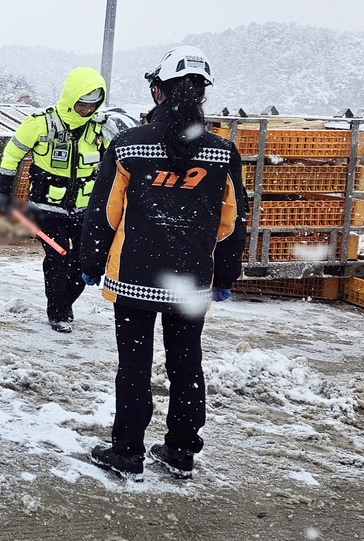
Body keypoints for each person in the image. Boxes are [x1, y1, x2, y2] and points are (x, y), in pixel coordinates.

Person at [80, 46, 247, 481]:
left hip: (133, 277)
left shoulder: (127, 147)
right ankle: (181, 451)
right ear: (202, 97)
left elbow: (105, 213)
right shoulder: (222, 153)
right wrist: (226, 274)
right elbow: (231, 223)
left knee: (134, 365)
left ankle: (128, 451)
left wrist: (91, 261)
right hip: (190, 282)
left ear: (158, 92)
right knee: (186, 362)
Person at [0, 67, 109, 333]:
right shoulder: (39, 123)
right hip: (45, 207)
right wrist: (5, 190)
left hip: (84, 209)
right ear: (70, 97)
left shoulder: (101, 129)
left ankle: (64, 303)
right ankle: (57, 312)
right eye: (81, 103)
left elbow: (117, 161)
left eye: (92, 105)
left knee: (86, 262)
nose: (86, 110)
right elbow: (12, 155)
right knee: (58, 258)